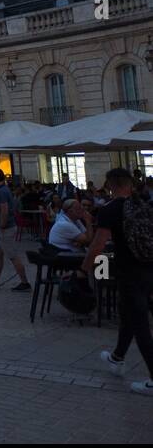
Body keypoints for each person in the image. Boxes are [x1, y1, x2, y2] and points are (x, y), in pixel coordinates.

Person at [83, 168, 153, 395]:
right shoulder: (144, 205)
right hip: (149, 269)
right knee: (129, 315)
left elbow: (98, 244)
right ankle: (117, 357)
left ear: (111, 185)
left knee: (141, 325)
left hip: (129, 274)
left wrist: (83, 269)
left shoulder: (110, 210)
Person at [0, 169, 31, 291]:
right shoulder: (2, 190)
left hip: (6, 228)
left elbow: (4, 209)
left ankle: (25, 283)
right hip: (4, 228)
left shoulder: (2, 192)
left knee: (13, 255)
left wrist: (2, 225)